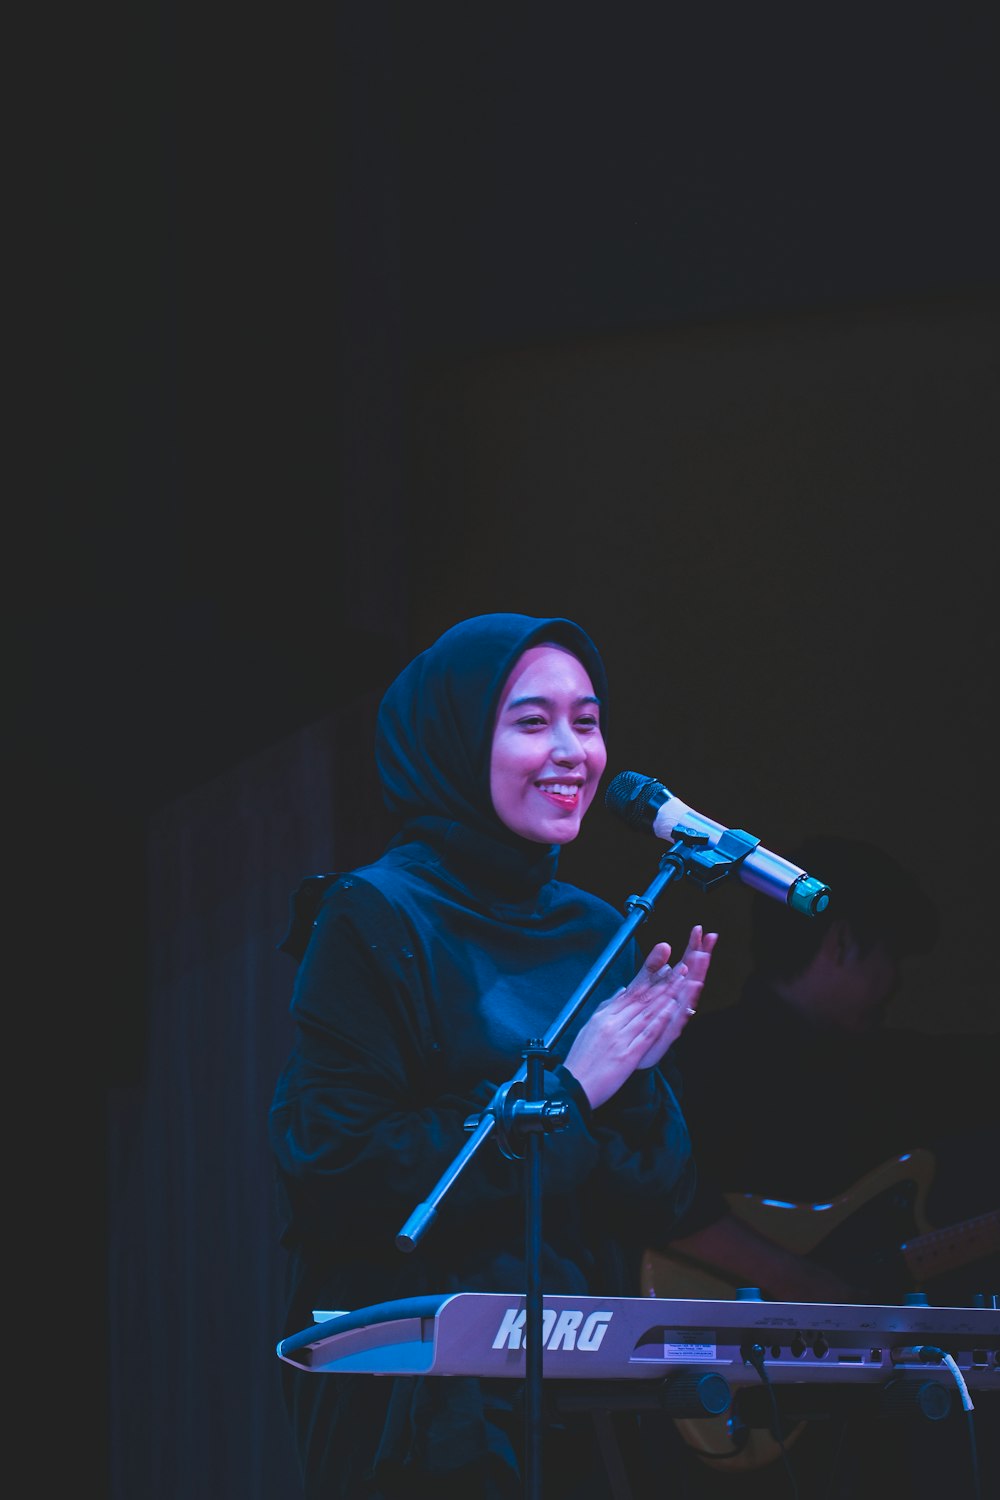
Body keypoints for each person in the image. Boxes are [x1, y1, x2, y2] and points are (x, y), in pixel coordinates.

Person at [268, 612, 718, 1500]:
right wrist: (572, 1088)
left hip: (577, 1380)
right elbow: (334, 1161)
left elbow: (659, 1195)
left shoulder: (599, 929)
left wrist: (630, 1085)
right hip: (420, 1396)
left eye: (586, 723)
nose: (571, 752)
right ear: (454, 740)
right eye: (531, 722)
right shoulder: (375, 916)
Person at [647, 833, 999, 1500]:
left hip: (864, 1412)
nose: (894, 982)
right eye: (890, 956)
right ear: (841, 942)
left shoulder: (903, 1070)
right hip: (748, 1402)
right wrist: (803, 1280)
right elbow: (660, 1201)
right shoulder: (708, 1064)